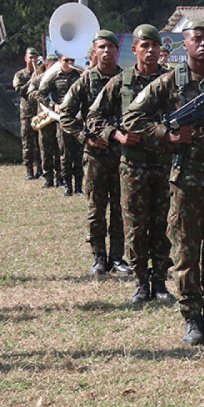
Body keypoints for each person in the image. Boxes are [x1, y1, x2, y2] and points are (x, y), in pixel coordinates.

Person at [123, 20, 204, 346]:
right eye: (196, 39)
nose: (203, 44)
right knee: (185, 253)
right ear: (185, 44)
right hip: (185, 181)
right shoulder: (169, 82)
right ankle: (192, 319)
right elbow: (132, 119)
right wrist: (166, 134)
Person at [87, 25, 173, 305]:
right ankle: (140, 281)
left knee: (162, 225)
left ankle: (160, 280)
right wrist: (116, 134)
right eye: (144, 45)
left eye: (155, 46)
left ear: (161, 50)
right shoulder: (120, 83)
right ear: (134, 48)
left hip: (163, 164)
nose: (150, 51)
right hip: (133, 166)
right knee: (135, 226)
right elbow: (93, 118)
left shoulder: (172, 81)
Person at [59, 30, 130, 276]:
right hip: (95, 156)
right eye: (102, 47)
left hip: (122, 154)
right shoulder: (85, 81)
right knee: (96, 209)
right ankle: (99, 257)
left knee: (121, 208)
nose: (107, 51)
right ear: (94, 51)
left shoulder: (126, 79)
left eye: (111, 47)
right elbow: (66, 116)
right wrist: (85, 136)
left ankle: (118, 257)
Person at [35, 53, 84, 195]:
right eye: (66, 60)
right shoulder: (54, 76)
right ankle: (68, 186)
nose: (69, 63)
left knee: (79, 154)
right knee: (65, 154)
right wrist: (53, 105)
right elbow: (40, 94)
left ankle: (79, 186)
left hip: (78, 119)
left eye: (72, 60)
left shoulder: (80, 75)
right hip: (63, 120)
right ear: (59, 61)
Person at [30, 52, 61, 188]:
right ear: (47, 65)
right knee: (45, 148)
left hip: (59, 117)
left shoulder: (61, 77)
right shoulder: (38, 79)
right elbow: (30, 94)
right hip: (45, 117)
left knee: (60, 148)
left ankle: (60, 177)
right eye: (52, 65)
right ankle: (48, 178)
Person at [12, 46, 43, 180]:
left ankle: (42, 170)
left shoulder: (42, 73)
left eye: (35, 57)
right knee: (27, 143)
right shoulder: (20, 75)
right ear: (25, 59)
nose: (33, 60)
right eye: (31, 57)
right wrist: (32, 80)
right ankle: (29, 171)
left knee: (41, 143)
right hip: (27, 114)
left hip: (40, 113)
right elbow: (20, 91)